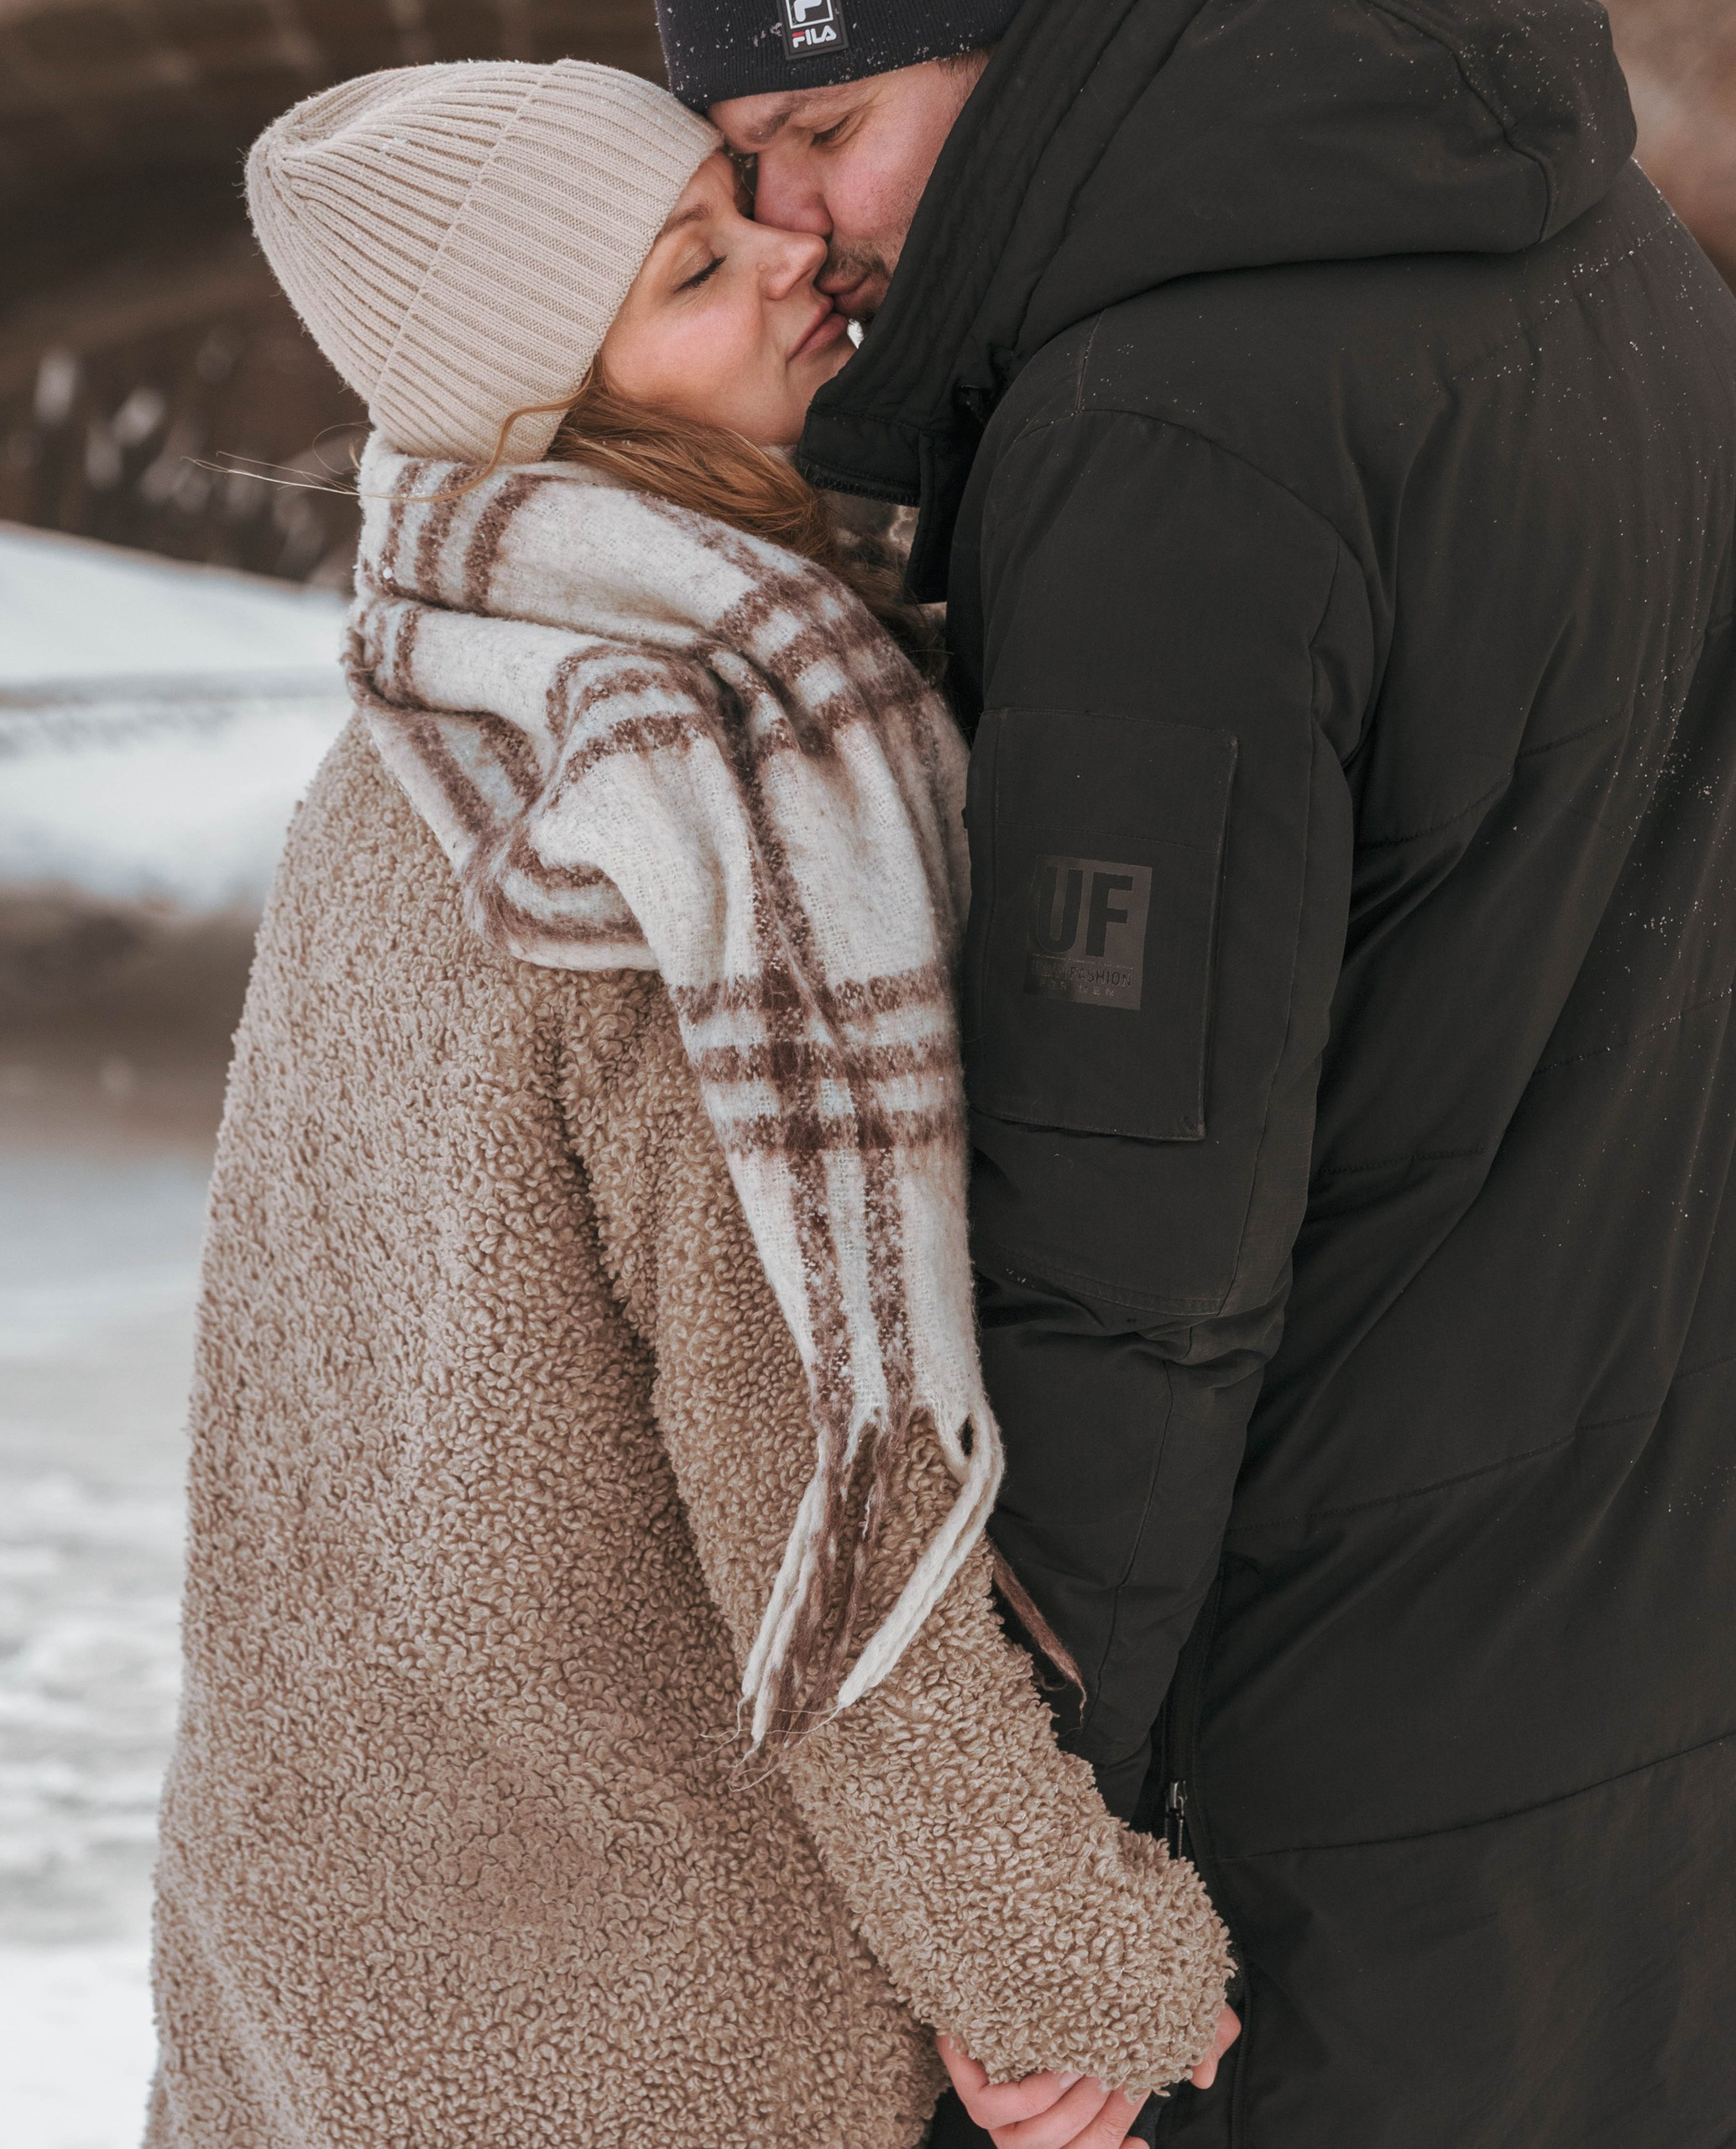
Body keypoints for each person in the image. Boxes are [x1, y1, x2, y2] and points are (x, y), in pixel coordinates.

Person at [649, 0, 1736, 2142]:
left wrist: (1035, 1881)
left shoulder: (1169, 439)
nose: (791, 220)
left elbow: (1128, 1223)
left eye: (827, 125)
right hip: (1641, 1665)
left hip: (1323, 1784)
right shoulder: (1610, 257)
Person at [143, 58, 1239, 2149]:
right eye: (693, 265)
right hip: (626, 2005)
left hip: (332, 1943)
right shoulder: (679, 807)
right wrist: (1053, 1961)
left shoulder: (420, 730)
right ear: (556, 393)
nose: (794, 252)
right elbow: (808, 1479)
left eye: (746, 202)